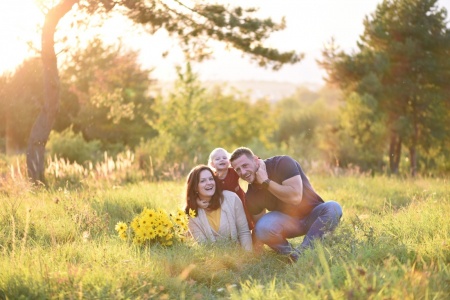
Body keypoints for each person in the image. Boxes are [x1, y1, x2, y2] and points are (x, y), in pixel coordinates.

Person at [229, 147, 342, 262]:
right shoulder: (252, 195)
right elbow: (259, 230)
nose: (242, 172)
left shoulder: (282, 163)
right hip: (290, 224)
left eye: (245, 165)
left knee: (334, 207)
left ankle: (304, 252)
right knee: (262, 227)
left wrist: (266, 182)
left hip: (314, 216)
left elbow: (295, 198)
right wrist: (252, 255)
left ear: (255, 160)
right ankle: (291, 255)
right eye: (237, 169)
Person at [184, 165, 252, 251]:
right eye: (202, 181)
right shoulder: (191, 214)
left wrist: (248, 257)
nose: (209, 182)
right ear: (195, 187)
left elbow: (244, 232)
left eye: (211, 179)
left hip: (240, 256)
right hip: (214, 261)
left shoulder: (232, 199)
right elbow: (204, 246)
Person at [208, 147, 254, 229]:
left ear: (229, 162)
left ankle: (248, 235)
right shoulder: (212, 177)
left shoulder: (233, 171)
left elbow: (248, 165)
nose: (222, 160)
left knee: (245, 220)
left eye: (224, 158)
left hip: (240, 201)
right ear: (212, 164)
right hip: (224, 204)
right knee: (229, 222)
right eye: (217, 159)